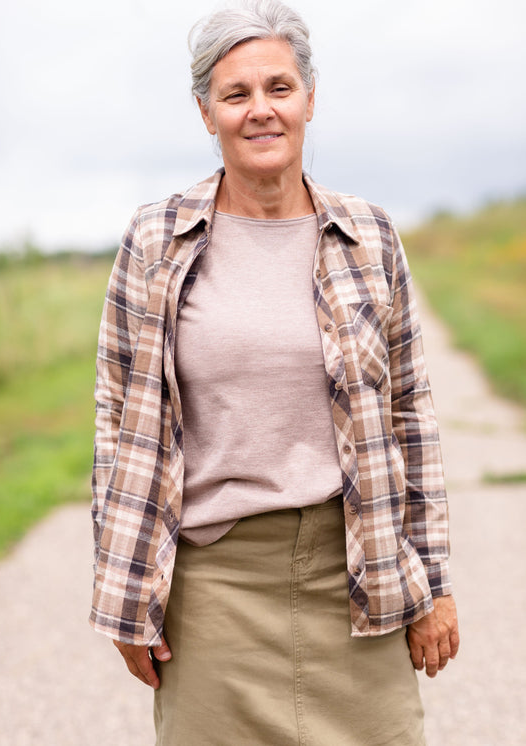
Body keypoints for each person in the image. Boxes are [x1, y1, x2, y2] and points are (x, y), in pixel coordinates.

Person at [90, 1, 459, 743]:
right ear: (206, 113)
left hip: (357, 570)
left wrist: (435, 586)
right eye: (236, 94)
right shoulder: (155, 238)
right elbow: (117, 417)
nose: (260, 110)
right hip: (214, 587)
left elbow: (409, 414)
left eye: (278, 88)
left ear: (309, 100)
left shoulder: (368, 235)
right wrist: (125, 595)